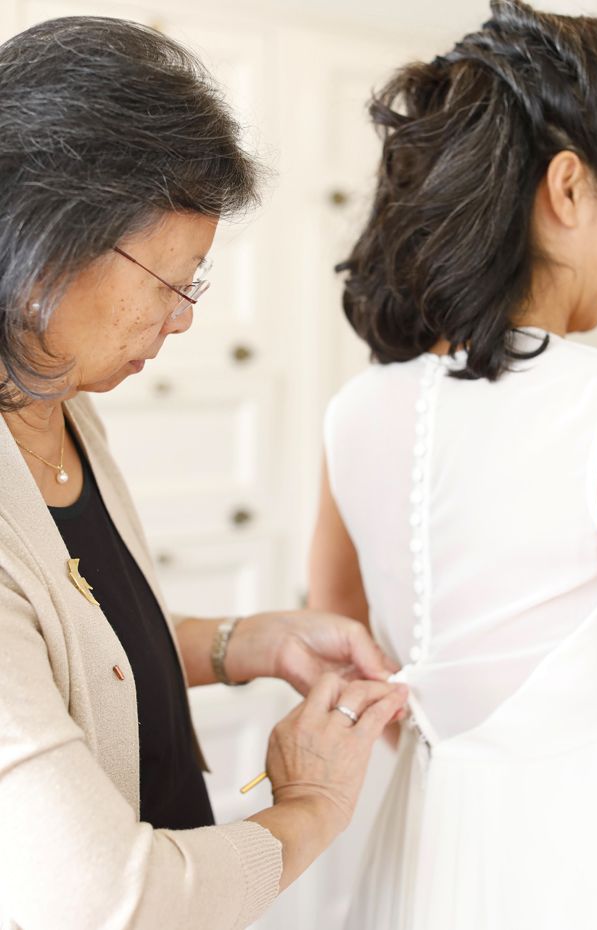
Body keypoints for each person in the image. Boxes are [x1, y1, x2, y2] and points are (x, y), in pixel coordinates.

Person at [0, 16, 410, 930]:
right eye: (171, 280)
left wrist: (237, 644)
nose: (182, 320)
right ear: (48, 245)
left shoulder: (60, 402)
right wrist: (310, 808)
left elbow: (70, 651)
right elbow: (109, 899)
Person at [308, 1, 597, 927]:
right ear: (569, 189)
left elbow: (338, 634)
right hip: (577, 850)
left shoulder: (355, 409)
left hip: (426, 838)